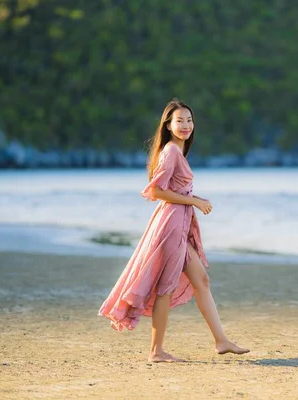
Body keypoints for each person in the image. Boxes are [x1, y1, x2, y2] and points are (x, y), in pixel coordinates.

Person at [98, 99, 249, 362]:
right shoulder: (170, 152)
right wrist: (195, 201)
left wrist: (194, 198)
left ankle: (221, 341)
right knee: (165, 288)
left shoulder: (177, 151)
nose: (186, 125)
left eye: (189, 120)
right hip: (170, 227)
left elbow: (175, 190)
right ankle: (156, 352)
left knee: (201, 279)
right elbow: (155, 191)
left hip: (177, 224)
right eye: (179, 121)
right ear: (168, 125)